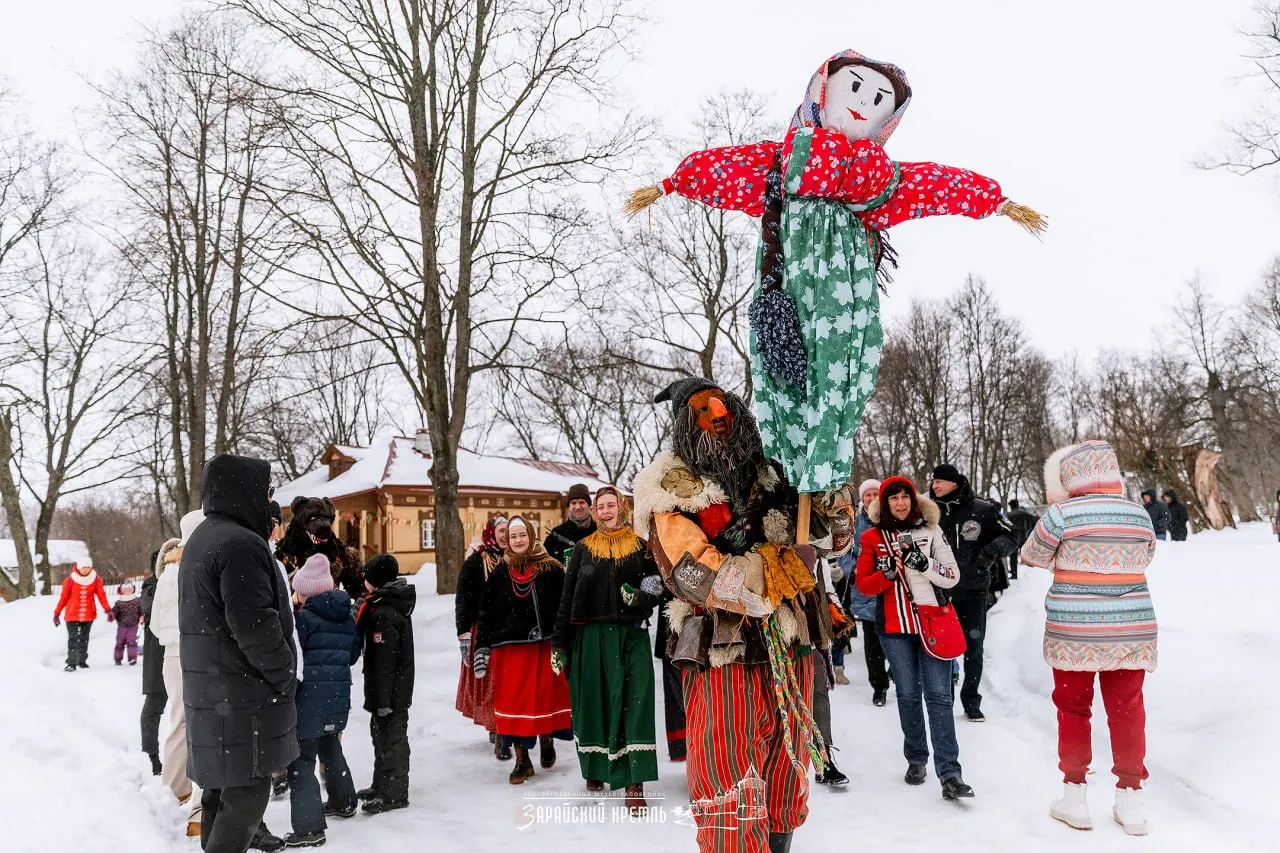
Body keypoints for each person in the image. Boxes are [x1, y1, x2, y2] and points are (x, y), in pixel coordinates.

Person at [632, 377, 849, 853]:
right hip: (721, 650)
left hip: (787, 642)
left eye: (724, 409)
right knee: (727, 770)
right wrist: (768, 570)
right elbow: (689, 572)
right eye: (703, 414)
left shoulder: (778, 472)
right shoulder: (669, 489)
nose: (718, 420)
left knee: (785, 766)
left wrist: (830, 498)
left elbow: (832, 541)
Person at [1020, 441, 1157, 836]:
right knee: (1127, 710)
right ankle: (1131, 800)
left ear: (1070, 475)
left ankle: (1075, 797)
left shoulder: (1061, 514)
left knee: (1074, 709)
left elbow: (1031, 555)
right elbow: (1147, 557)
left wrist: (1068, 562)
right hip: (1130, 628)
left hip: (1073, 630)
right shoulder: (1138, 514)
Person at [180, 454, 298, 853]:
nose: (269, 501)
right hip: (242, 702)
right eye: (266, 492)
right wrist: (285, 674)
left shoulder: (203, 537)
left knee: (220, 795)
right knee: (244, 802)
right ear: (243, 491)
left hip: (215, 696)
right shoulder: (240, 544)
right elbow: (254, 628)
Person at [855, 476, 972, 799]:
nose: (900, 503)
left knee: (939, 697)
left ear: (914, 500)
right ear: (884, 504)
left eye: (905, 496)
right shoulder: (872, 538)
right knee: (907, 695)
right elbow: (864, 585)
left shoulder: (931, 532)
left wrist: (925, 565)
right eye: (893, 498)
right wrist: (886, 574)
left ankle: (950, 773)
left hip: (932, 624)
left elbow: (952, 576)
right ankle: (916, 758)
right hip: (894, 629)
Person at [553, 486, 659, 809]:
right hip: (591, 637)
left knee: (635, 703)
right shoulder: (583, 549)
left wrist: (638, 598)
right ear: (596, 512)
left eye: (611, 505)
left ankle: (634, 781)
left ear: (621, 508)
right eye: (602, 507)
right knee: (595, 705)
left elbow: (656, 586)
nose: (606, 511)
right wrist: (559, 643)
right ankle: (597, 767)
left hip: (632, 636)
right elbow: (567, 598)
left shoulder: (641, 548)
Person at [474, 516, 572, 784]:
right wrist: (482, 645)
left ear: (531, 535)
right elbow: (486, 612)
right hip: (510, 650)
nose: (518, 540)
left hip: (544, 647)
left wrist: (565, 639)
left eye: (522, 535)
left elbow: (565, 607)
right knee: (515, 703)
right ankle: (521, 760)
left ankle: (547, 739)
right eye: (513, 536)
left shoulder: (550, 569)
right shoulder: (499, 573)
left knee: (544, 698)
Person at [283, 554, 362, 848]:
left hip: (308, 704)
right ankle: (344, 801)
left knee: (301, 761)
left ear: (305, 591)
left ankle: (309, 828)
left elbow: (295, 659)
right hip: (338, 700)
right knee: (331, 748)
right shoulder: (347, 617)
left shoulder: (302, 621)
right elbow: (352, 655)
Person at [928, 464, 1016, 723]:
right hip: (941, 592)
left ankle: (971, 700)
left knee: (973, 649)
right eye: (933, 481)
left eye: (939, 481)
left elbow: (1012, 536)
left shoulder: (982, 510)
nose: (934, 486)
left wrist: (988, 553)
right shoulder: (928, 511)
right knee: (943, 650)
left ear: (954, 483)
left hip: (975, 590)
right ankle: (945, 699)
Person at [152, 516, 205, 838]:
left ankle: (172, 790)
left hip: (171, 653)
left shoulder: (168, 572)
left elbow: (156, 623)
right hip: (199, 649)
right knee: (204, 725)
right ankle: (199, 809)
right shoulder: (200, 566)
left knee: (178, 720)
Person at [356, 554, 416, 814]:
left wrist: (382, 701)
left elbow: (384, 664)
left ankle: (394, 793)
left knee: (392, 741)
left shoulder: (384, 614)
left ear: (375, 580)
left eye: (366, 576)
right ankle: (381, 784)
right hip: (387, 693)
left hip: (390, 695)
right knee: (380, 738)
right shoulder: (382, 605)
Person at [456, 514, 507, 757]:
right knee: (490, 684)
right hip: (482, 631)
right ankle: (497, 729)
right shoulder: (476, 562)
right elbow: (463, 600)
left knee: (507, 682)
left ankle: (505, 727)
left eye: (510, 530)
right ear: (491, 533)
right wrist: (464, 634)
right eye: (501, 530)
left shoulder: (519, 559)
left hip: (511, 631)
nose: (506, 535)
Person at [837, 479, 890, 706]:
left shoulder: (891, 522)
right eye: (868, 494)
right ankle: (879, 686)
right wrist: (855, 569)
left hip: (893, 589)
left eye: (876, 494)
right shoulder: (854, 524)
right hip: (867, 590)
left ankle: (897, 672)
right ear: (862, 498)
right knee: (873, 643)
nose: (872, 498)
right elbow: (842, 551)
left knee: (895, 639)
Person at [52, 559, 113, 672]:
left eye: (87, 567)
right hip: (72, 614)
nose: (85, 570)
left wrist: (108, 610)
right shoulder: (70, 580)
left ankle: (81, 659)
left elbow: (101, 596)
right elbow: (63, 598)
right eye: (83, 567)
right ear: (78, 567)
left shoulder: (95, 580)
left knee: (84, 638)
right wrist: (57, 613)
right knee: (73, 638)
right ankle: (71, 662)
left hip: (88, 614)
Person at [140, 550, 168, 777]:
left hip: (179, 653)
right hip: (158, 655)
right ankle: (150, 755)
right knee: (154, 706)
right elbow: (149, 609)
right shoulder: (151, 586)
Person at [545, 483, 597, 564]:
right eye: (573, 503)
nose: (577, 507)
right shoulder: (557, 534)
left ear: (589, 505)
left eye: (582, 502)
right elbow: (546, 567)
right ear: (569, 506)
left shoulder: (599, 532)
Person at [1005, 499, 1039, 581]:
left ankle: (1014, 574)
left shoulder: (1009, 515)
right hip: (1024, 536)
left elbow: (1006, 527)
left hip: (1013, 538)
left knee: (1013, 556)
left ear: (1011, 506)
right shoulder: (1026, 514)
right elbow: (1034, 522)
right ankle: (1030, 565)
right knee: (1025, 552)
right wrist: (1028, 530)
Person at [112, 582, 143, 665]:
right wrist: (112, 615)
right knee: (119, 642)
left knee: (131, 641)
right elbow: (115, 612)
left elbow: (141, 611)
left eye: (129, 590)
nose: (127, 591)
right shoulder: (119, 602)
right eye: (125, 590)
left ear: (133, 590)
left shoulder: (137, 601)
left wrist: (142, 616)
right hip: (122, 625)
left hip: (133, 625)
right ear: (121, 591)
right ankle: (118, 658)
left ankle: (132, 658)